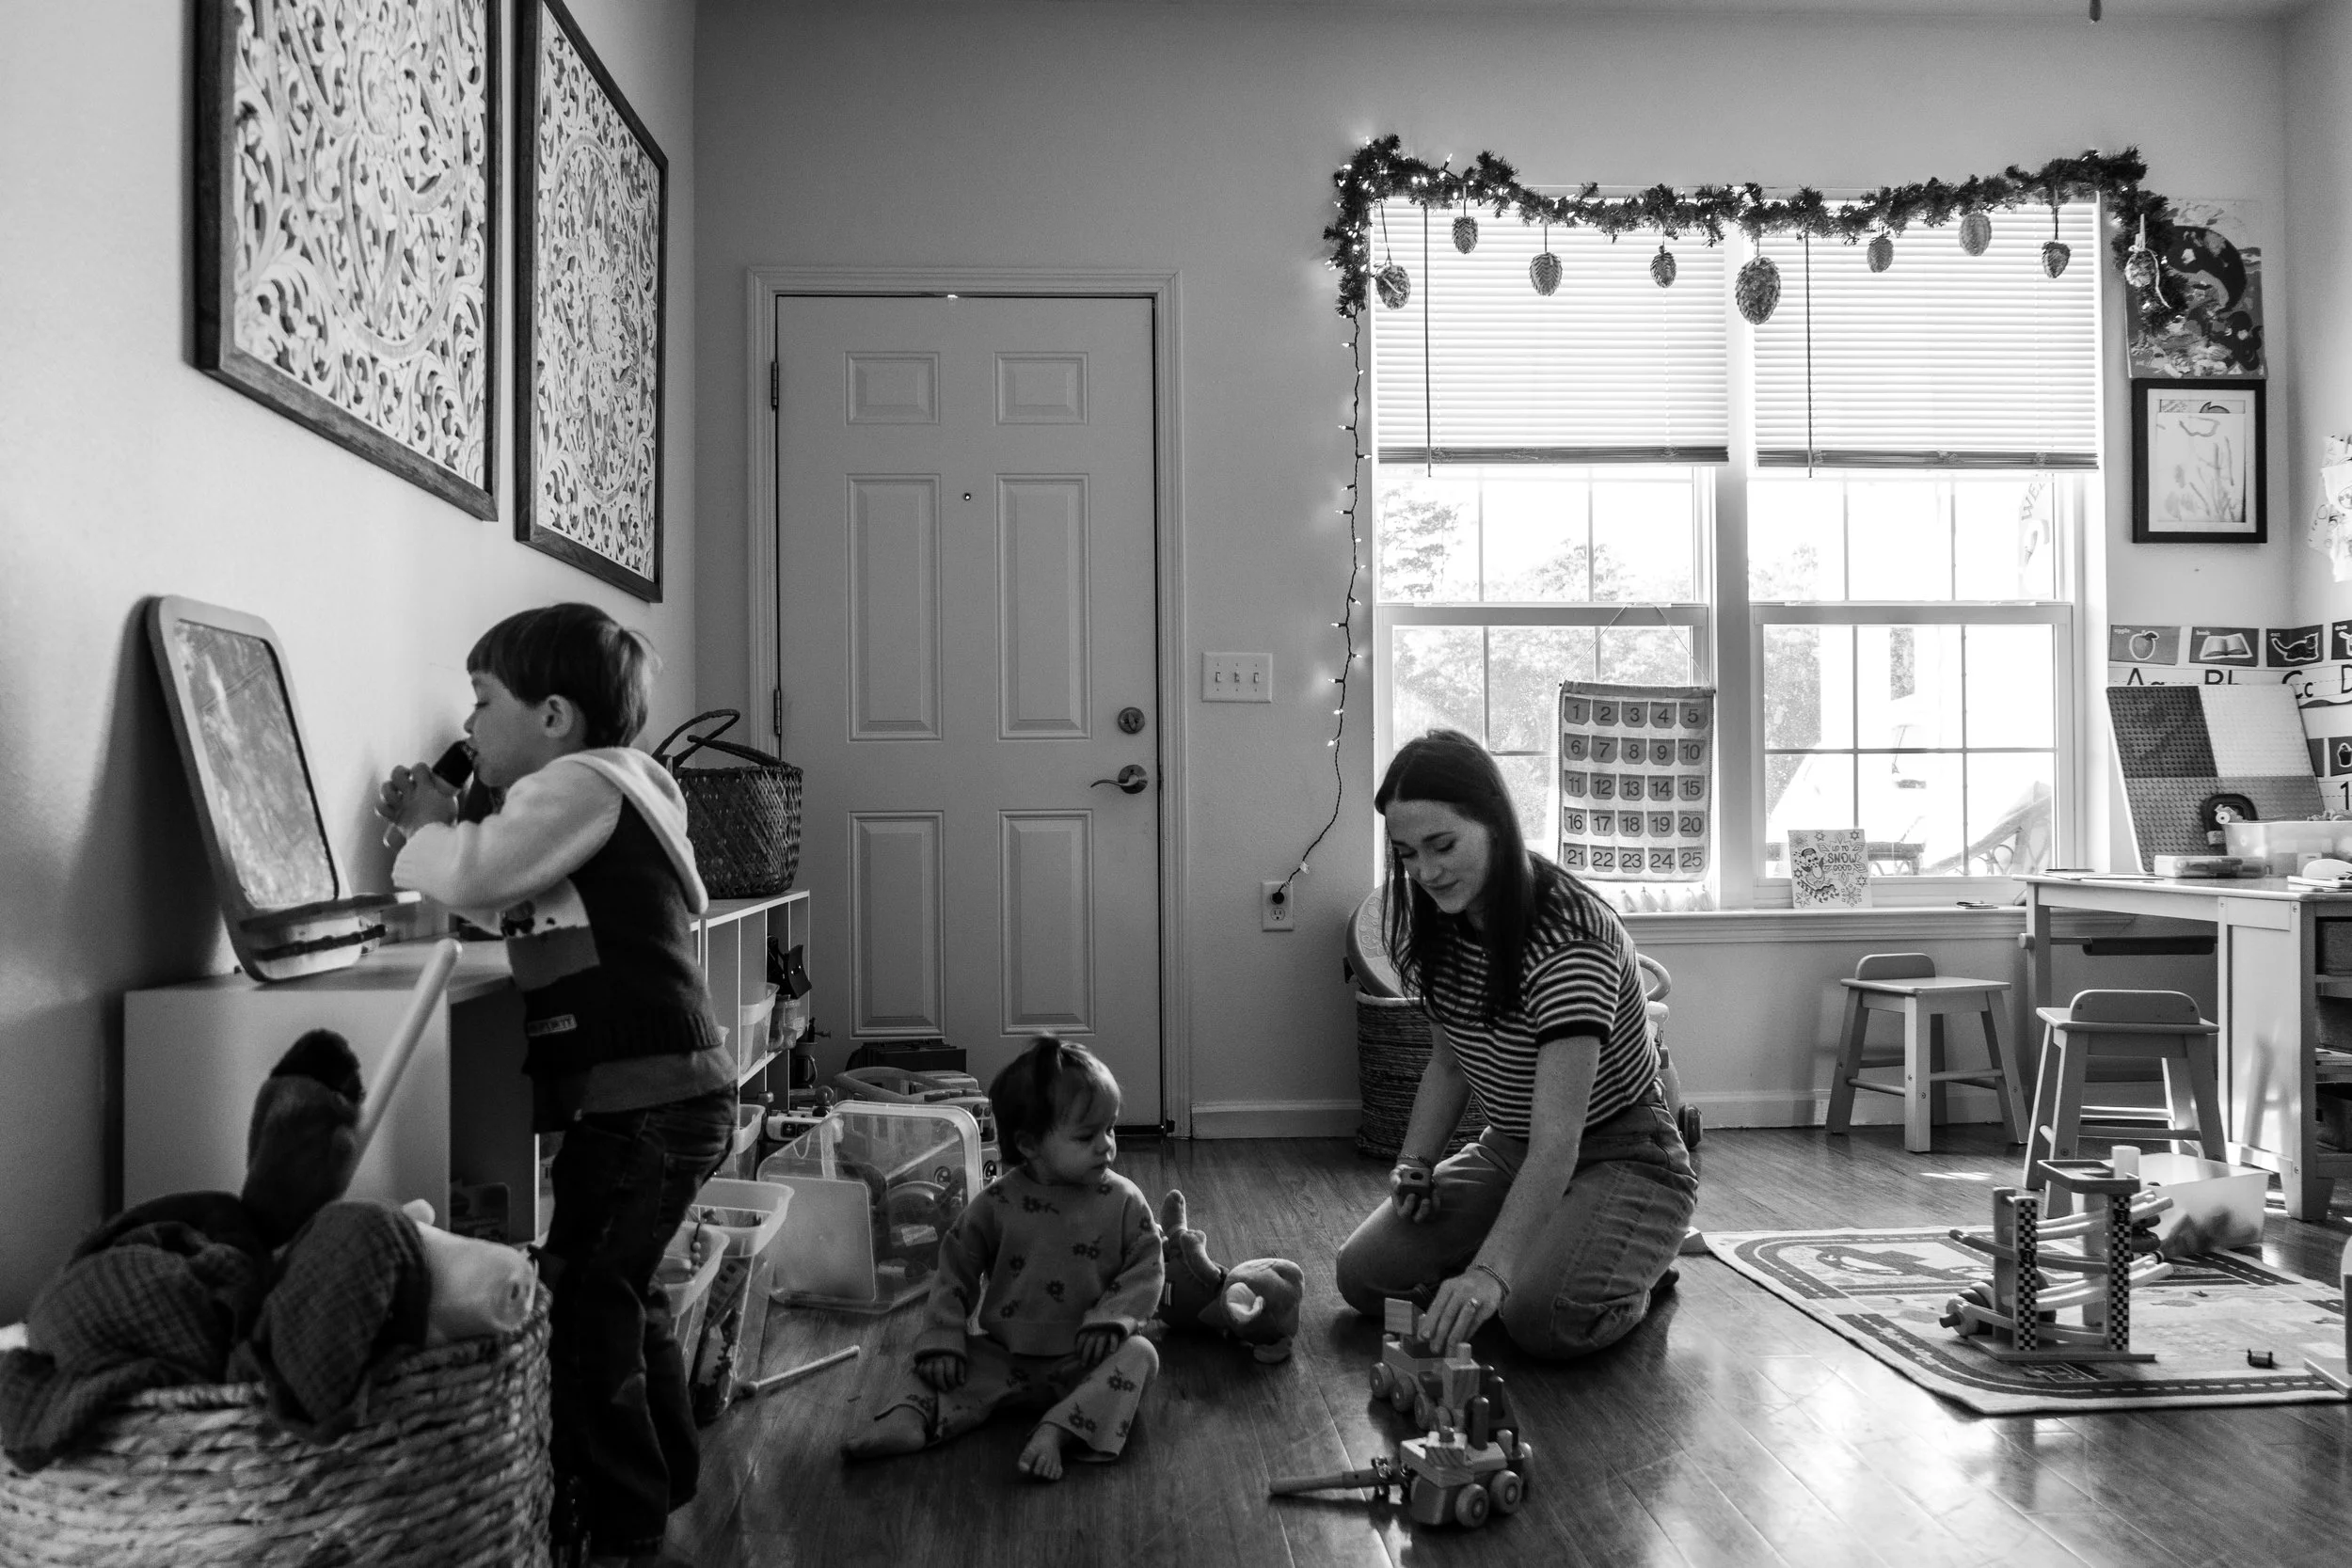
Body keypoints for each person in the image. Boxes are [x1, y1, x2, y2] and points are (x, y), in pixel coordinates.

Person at [377, 603, 733, 1568]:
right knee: (617, 1286)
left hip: (646, 1097)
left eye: (481, 701)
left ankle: (619, 1514)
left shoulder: (581, 784)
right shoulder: (610, 795)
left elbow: (488, 870)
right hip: (663, 1091)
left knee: (581, 1295)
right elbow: (549, 922)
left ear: (555, 718)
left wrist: (429, 829)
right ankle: (663, 1470)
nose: (466, 726)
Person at [1334, 728, 1697, 1360]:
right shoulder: (1437, 923)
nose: (1426, 871)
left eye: (1442, 845)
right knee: (1362, 1276)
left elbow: (1561, 1139)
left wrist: (1490, 1272)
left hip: (1623, 1150)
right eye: (1407, 854)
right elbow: (1448, 1064)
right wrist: (1414, 1163)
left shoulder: (1569, 937)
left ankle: (1639, 1269)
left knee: (1538, 1317)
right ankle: (1541, 1245)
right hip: (1509, 1145)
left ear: (1495, 823)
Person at [844, 1037, 1162, 1481]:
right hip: (1003, 1359)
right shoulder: (996, 1204)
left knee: (1141, 1355)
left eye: (1110, 1128)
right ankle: (909, 1421)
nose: (1106, 1146)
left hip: (1083, 1362)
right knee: (926, 1363)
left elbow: (1148, 1264)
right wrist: (946, 1337)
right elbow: (953, 1270)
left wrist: (1114, 1319)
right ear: (1030, 1145)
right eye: (1087, 1135)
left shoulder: (1123, 1199)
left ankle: (1057, 1430)